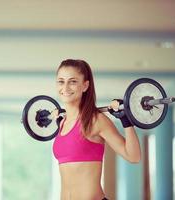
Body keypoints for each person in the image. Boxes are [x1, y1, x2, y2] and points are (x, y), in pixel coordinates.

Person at [52, 59, 141, 200]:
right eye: (61, 81)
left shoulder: (95, 120)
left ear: (85, 85)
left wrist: (126, 120)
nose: (66, 87)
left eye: (73, 81)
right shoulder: (62, 122)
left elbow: (134, 156)